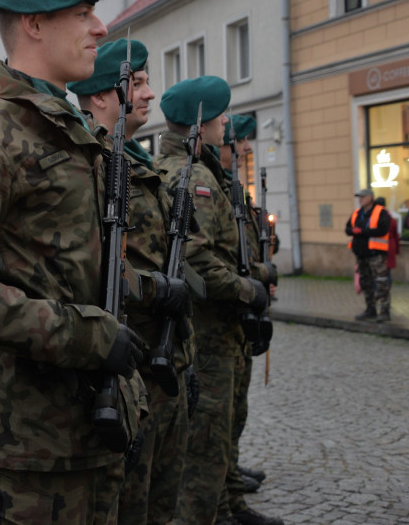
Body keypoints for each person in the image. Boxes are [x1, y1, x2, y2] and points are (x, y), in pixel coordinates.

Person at [0, 0, 145, 524]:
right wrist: (79, 335)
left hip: (91, 426)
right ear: (34, 25)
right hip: (27, 449)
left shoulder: (71, 126)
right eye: (83, 13)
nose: (101, 28)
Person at [69, 39, 193, 524]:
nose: (148, 94)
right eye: (136, 84)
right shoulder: (93, 159)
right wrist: (157, 288)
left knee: (157, 499)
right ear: (101, 95)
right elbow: (92, 268)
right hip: (122, 358)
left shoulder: (138, 161)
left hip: (157, 360)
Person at [155, 77, 280, 525]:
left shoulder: (200, 170)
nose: (228, 125)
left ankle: (227, 507)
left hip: (215, 333)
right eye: (222, 115)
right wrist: (252, 288)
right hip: (206, 334)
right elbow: (196, 261)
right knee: (203, 451)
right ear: (200, 122)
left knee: (219, 434)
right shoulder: (195, 177)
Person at [216, 114, 280, 525]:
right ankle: (223, 496)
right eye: (238, 143)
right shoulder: (213, 185)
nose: (244, 150)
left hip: (239, 316)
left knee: (234, 410)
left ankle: (230, 483)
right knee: (219, 418)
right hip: (221, 318)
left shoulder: (233, 185)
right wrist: (252, 283)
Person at [346, 188, 392, 322]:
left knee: (382, 283)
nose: (360, 199)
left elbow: (383, 229)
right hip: (361, 254)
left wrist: (362, 231)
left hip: (376, 254)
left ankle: (384, 312)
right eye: (359, 197)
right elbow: (347, 229)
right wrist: (353, 230)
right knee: (365, 283)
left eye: (362, 197)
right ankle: (370, 310)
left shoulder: (381, 212)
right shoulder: (357, 213)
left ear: (370, 198)